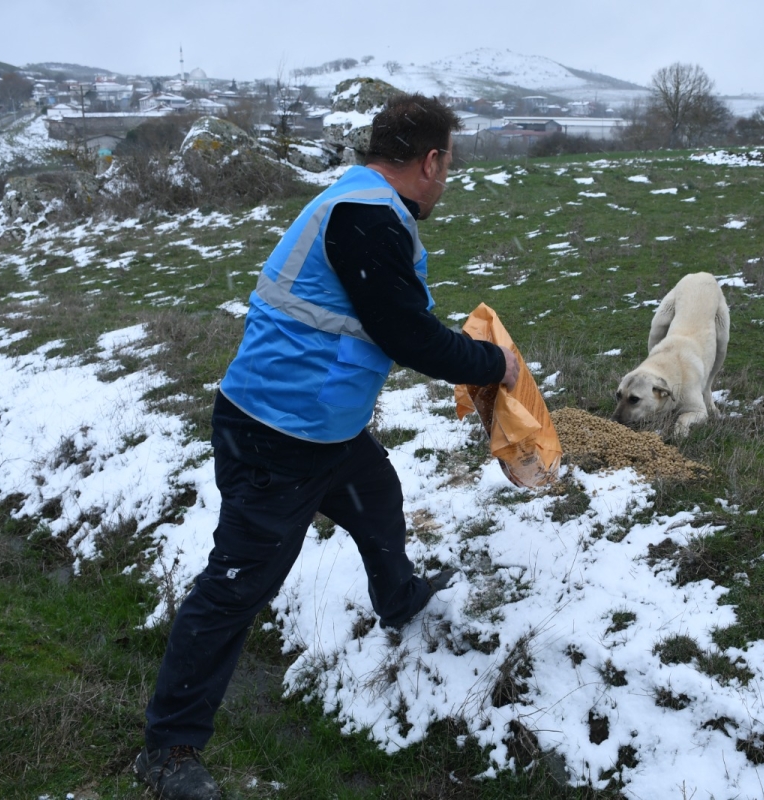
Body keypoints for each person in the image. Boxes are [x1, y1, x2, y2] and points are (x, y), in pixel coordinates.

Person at [134, 93, 519, 800]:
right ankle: (169, 750)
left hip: (320, 430)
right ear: (430, 160)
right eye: (449, 165)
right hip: (275, 436)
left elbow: (382, 323)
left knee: (377, 497)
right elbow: (408, 334)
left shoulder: (358, 199)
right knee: (238, 584)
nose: (447, 180)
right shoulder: (366, 218)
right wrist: (496, 366)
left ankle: (398, 597)